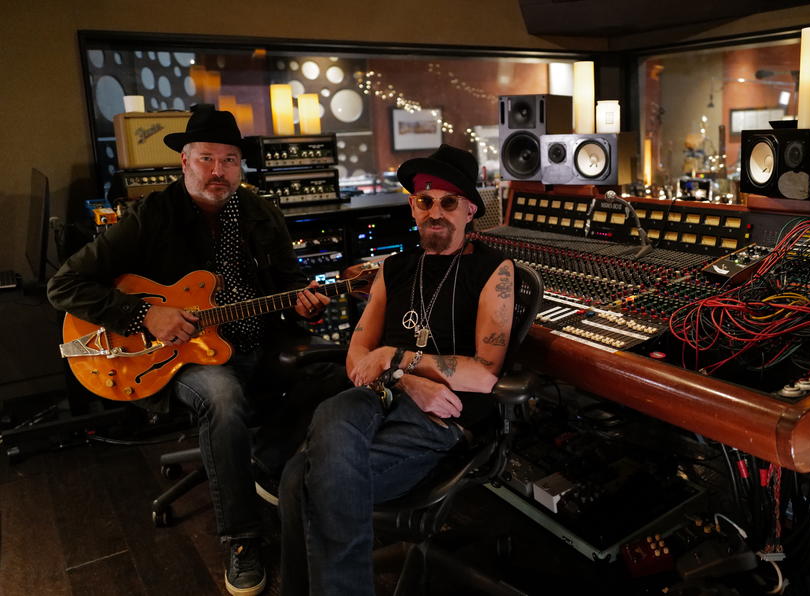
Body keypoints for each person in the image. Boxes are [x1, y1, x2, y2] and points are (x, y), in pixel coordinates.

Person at [48, 105, 337, 596]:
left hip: (256, 342)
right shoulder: (150, 215)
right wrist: (144, 315)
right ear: (184, 162)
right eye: (206, 159)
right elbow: (64, 285)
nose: (218, 171)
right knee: (223, 399)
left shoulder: (260, 211)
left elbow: (291, 284)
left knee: (338, 368)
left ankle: (263, 460)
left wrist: (306, 307)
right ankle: (243, 539)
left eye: (229, 160)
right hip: (175, 355)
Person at [278, 144, 514, 595]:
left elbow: (483, 374)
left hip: (441, 418)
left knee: (298, 478)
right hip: (384, 394)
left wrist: (394, 358)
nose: (435, 212)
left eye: (448, 202)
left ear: (469, 210)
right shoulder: (395, 269)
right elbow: (356, 359)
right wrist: (405, 380)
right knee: (333, 411)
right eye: (425, 201)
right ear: (413, 206)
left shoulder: (493, 271)